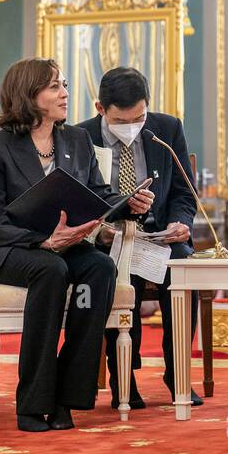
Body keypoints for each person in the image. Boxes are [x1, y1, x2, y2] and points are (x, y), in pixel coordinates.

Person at [0, 58, 154, 432]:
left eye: (64, 84)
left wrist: (128, 204)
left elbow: (99, 195)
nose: (65, 93)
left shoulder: (76, 140)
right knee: (51, 269)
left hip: (65, 245)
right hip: (9, 250)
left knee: (101, 267)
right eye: (54, 86)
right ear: (29, 95)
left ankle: (68, 394)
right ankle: (33, 401)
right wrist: (43, 241)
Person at [76, 66, 203, 409]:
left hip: (161, 234)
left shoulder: (166, 128)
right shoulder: (80, 137)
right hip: (112, 237)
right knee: (112, 270)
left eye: (140, 116)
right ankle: (122, 377)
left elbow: (183, 191)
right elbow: (80, 200)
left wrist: (180, 223)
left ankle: (177, 371)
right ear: (100, 109)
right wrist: (111, 222)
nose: (133, 126)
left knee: (182, 266)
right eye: (122, 120)